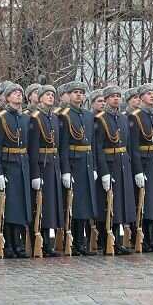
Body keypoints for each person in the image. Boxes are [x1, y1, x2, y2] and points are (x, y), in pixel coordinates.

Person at [0, 83, 32, 257]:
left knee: (21, 207)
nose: (18, 96)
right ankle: (7, 244)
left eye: (20, 93)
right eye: (14, 93)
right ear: (7, 98)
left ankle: (18, 244)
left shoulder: (25, 118)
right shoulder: (0, 117)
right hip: (8, 165)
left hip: (22, 164)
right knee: (8, 208)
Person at [57, 81, 98, 255]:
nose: (79, 95)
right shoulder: (64, 115)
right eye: (75, 92)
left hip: (86, 162)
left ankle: (82, 242)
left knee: (84, 205)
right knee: (73, 205)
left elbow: (93, 144)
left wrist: (94, 166)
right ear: (69, 95)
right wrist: (65, 170)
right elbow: (63, 146)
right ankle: (72, 241)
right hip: (74, 163)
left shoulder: (89, 116)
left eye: (81, 92)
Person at [94, 86, 135, 255]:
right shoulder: (100, 119)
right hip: (109, 164)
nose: (116, 99)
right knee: (108, 205)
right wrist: (103, 172)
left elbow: (128, 145)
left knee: (120, 205)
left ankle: (118, 241)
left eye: (118, 96)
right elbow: (98, 148)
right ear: (106, 99)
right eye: (112, 97)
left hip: (122, 163)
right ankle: (107, 242)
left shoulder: (124, 118)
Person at [128, 83, 153, 252]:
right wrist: (137, 170)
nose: (152, 96)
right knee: (143, 202)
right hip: (143, 162)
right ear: (141, 97)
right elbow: (133, 146)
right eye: (148, 94)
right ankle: (140, 238)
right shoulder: (135, 116)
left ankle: (150, 238)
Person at [28, 85, 63, 257]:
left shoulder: (54, 118)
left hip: (53, 164)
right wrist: (35, 173)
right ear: (40, 98)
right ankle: (39, 243)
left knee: (51, 206)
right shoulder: (35, 118)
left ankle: (48, 244)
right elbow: (33, 148)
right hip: (41, 165)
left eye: (52, 95)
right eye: (47, 95)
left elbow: (58, 146)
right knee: (41, 206)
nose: (50, 97)